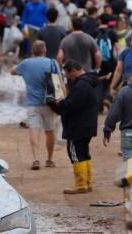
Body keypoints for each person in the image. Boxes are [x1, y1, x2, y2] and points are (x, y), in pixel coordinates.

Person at [48, 60, 100, 194]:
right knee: (84, 153)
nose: (68, 77)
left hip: (77, 127)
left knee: (76, 154)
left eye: (68, 74)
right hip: (88, 125)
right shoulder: (90, 82)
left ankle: (80, 185)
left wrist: (57, 104)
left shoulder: (80, 86)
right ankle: (87, 183)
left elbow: (71, 106)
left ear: (73, 71)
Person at [10, 41, 57, 170]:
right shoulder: (52, 63)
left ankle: (36, 158)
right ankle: (50, 159)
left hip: (32, 104)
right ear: (44, 50)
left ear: (33, 51)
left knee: (34, 130)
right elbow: (59, 81)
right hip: (49, 103)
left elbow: (12, 71)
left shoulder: (26, 63)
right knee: (50, 131)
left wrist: (21, 70)